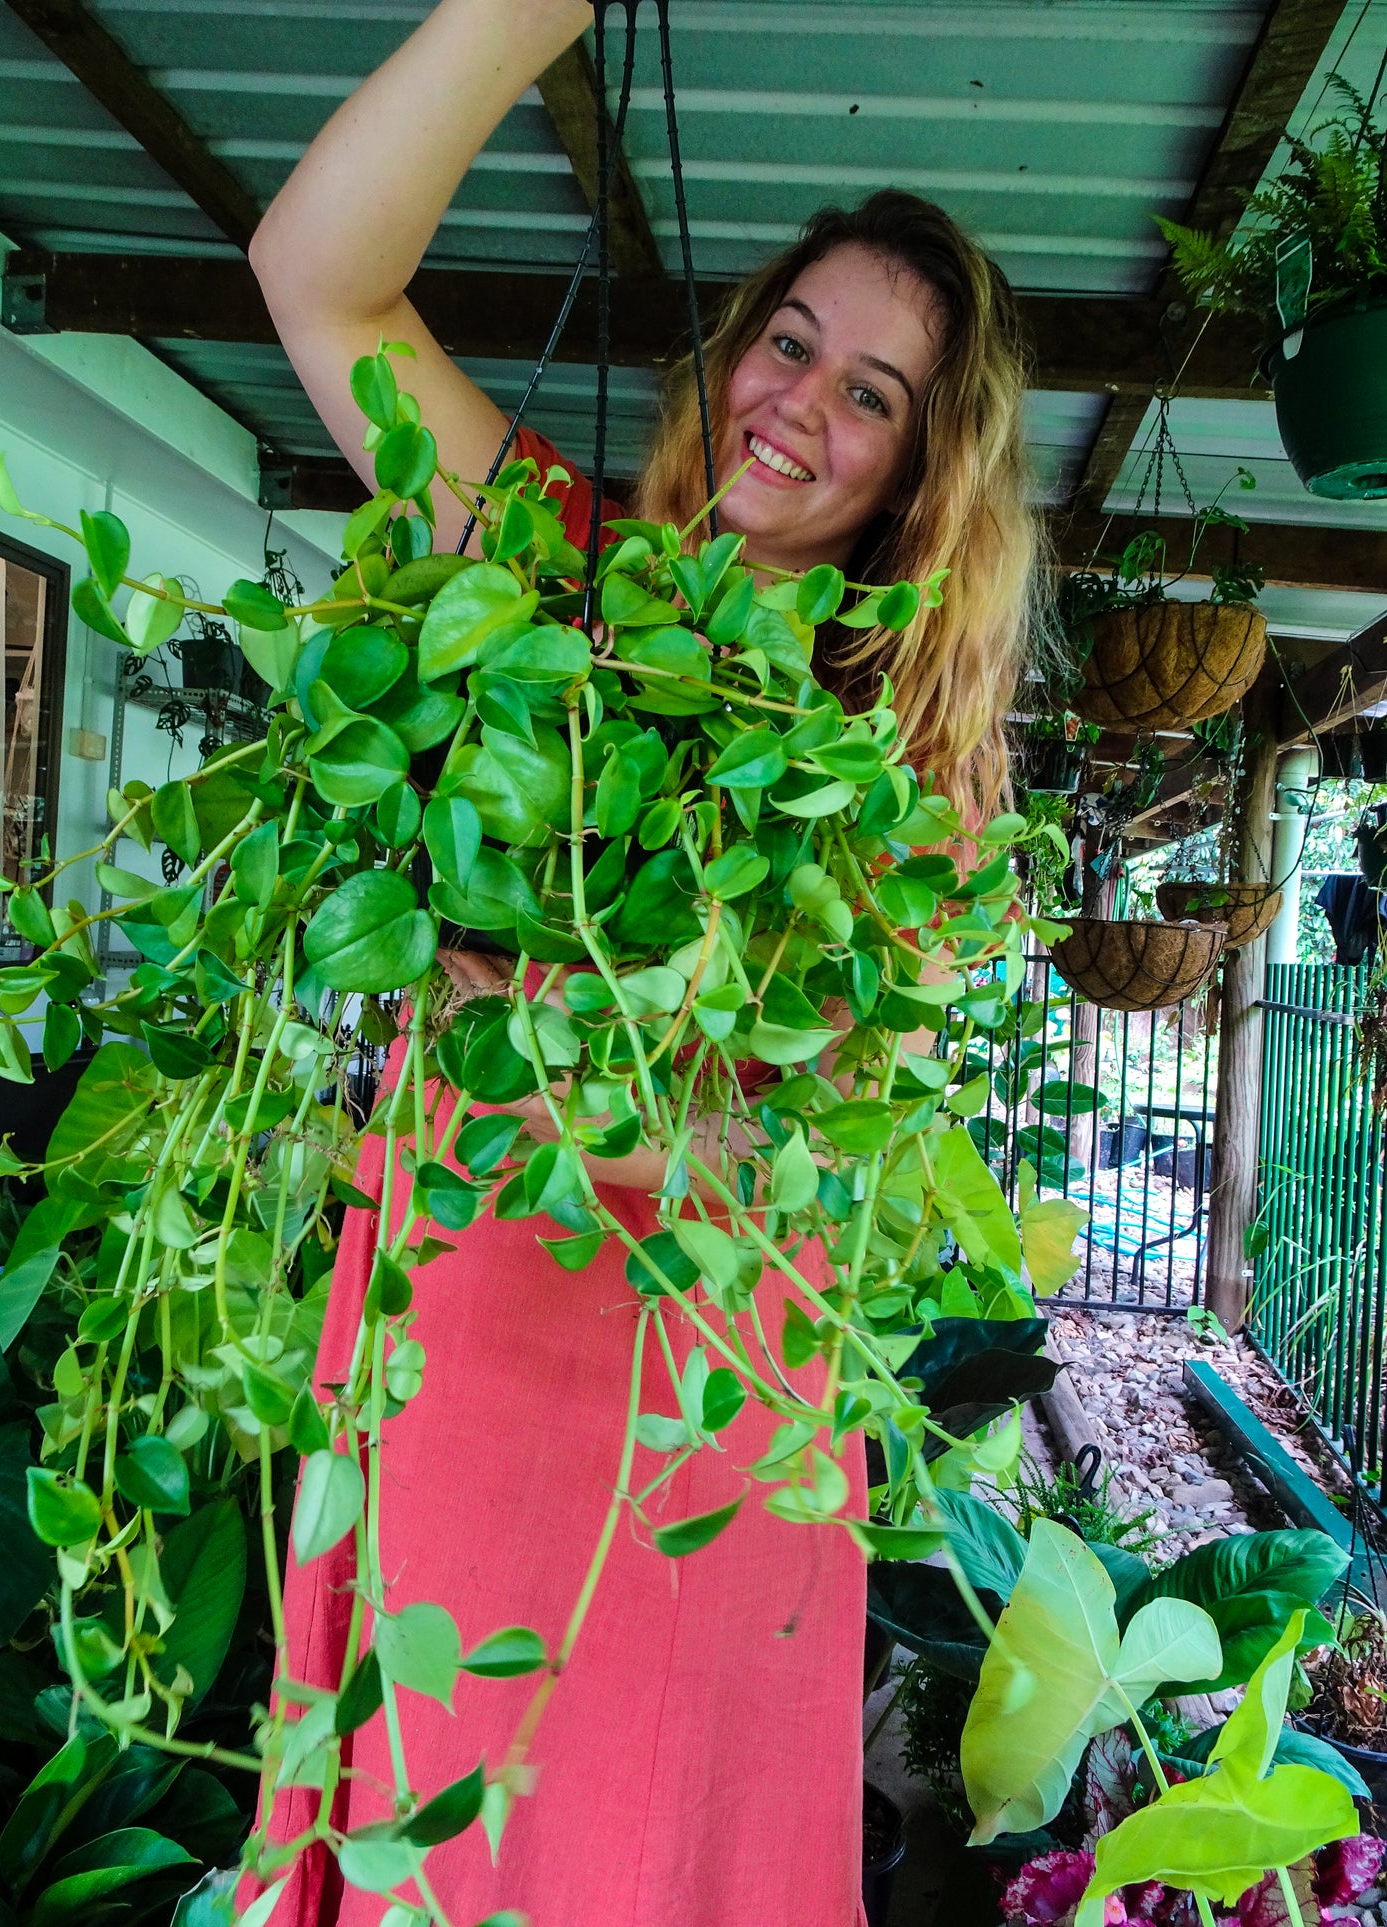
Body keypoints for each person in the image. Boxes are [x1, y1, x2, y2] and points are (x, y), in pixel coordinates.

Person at [246, 4, 1040, 1923]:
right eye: (792, 341)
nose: (804, 405)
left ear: (920, 476)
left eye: (873, 395)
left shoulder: (902, 785)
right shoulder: (555, 576)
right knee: (434, 1804)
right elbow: (314, 272)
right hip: (475, 1305)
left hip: (699, 1385)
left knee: (641, 1833)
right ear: (731, 351)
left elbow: (819, 1141)